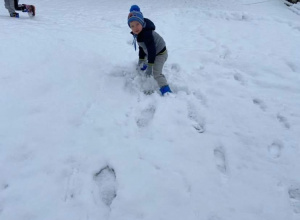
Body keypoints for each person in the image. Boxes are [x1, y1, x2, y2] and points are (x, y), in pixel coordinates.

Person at [128, 5, 172, 96]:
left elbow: (151, 50)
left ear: (142, 23)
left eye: (137, 24)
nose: (135, 28)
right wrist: (141, 60)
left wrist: (150, 66)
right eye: (132, 26)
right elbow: (142, 47)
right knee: (146, 55)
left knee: (156, 73)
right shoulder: (139, 33)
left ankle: (166, 90)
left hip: (160, 54)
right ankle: (143, 65)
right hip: (153, 52)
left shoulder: (147, 34)